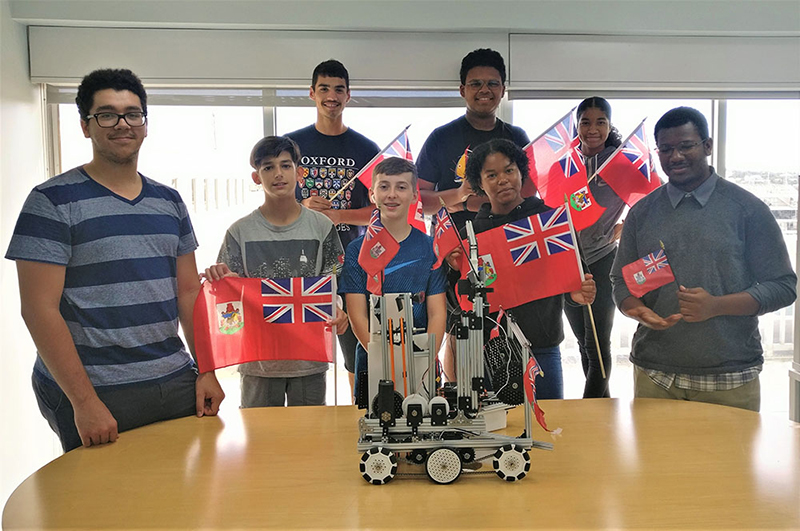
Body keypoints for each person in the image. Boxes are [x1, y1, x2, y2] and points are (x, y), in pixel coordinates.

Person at [5, 68, 224, 452]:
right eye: (107, 114)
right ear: (85, 126)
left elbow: (189, 292)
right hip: (99, 391)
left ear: (145, 125)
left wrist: (206, 370)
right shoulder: (52, 201)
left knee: (180, 488)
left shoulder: (169, 202)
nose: (122, 124)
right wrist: (84, 402)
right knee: (101, 492)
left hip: (174, 382)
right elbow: (38, 309)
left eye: (132, 114)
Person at [610, 107, 796, 412]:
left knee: (731, 449)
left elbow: (783, 287)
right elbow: (621, 281)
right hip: (655, 375)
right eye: (666, 149)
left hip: (730, 376)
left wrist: (716, 306)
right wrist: (637, 310)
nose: (675, 156)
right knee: (655, 448)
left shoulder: (747, 209)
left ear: (707, 146)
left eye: (686, 146)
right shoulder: (642, 213)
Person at [204, 136, 349, 408]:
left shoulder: (322, 227)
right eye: (268, 167)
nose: (278, 174)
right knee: (259, 434)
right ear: (256, 177)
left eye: (285, 165)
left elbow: (333, 282)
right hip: (258, 362)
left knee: (309, 433)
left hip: (308, 359)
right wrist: (221, 280)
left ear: (299, 172)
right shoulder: (239, 232)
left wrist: (338, 309)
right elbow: (229, 301)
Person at [416, 48, 530, 381]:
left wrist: (482, 204)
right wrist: (460, 198)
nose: (484, 90)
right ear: (462, 89)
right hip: (456, 252)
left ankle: (509, 393)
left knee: (508, 325)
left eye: (492, 83)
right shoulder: (441, 138)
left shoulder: (517, 138)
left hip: (508, 247)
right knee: (459, 329)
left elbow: (529, 196)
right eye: (476, 83)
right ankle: (458, 398)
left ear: (503, 89)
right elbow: (419, 201)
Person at [464, 139, 596, 399]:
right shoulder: (471, 234)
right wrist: (451, 264)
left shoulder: (550, 220)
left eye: (509, 170)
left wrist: (578, 293)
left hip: (542, 346)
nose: (503, 180)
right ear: (479, 182)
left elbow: (575, 276)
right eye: (492, 175)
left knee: (549, 419)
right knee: (496, 422)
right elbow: (461, 299)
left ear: (521, 172)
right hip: (492, 350)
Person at [285, 59, 380, 397]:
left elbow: (379, 211)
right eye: (324, 88)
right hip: (301, 265)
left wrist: (339, 217)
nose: (331, 96)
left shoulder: (366, 149)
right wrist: (302, 207)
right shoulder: (290, 145)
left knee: (358, 357)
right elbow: (274, 202)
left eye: (339, 89)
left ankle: (359, 418)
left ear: (348, 95)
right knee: (303, 360)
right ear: (312, 93)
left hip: (351, 264)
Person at [339, 158, 448, 397]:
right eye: (384, 186)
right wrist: (383, 360)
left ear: (414, 195)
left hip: (421, 357)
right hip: (372, 358)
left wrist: (427, 358)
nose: (392, 194)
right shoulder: (357, 250)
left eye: (401, 187)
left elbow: (437, 313)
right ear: (372, 194)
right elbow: (357, 314)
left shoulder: (430, 247)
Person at [564, 97, 626, 398]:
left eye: (600, 122)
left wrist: (624, 226)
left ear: (609, 126)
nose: (592, 129)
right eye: (585, 122)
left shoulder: (620, 162)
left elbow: (651, 198)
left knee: (598, 344)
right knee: (583, 342)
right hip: (568, 262)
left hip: (602, 259)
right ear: (576, 126)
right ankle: (604, 407)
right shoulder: (565, 162)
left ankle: (588, 408)